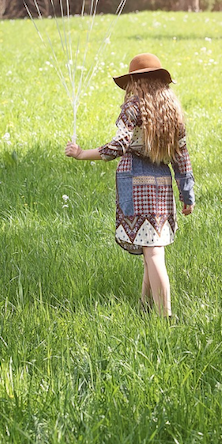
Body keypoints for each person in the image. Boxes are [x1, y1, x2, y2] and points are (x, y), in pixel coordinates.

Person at [65, 52, 195, 319]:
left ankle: (164, 316)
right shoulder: (171, 112)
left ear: (134, 82)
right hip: (161, 186)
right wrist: (187, 195)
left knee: (154, 253)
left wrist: (82, 153)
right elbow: (182, 157)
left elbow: (118, 146)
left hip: (135, 184)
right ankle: (145, 306)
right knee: (152, 248)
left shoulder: (133, 108)